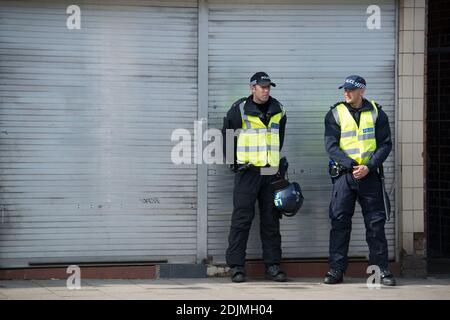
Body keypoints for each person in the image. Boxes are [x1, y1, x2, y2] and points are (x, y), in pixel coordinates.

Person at [323, 75, 396, 286]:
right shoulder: (335, 113)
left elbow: (385, 144)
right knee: (339, 224)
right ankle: (336, 270)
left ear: (361, 91)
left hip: (369, 176)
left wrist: (369, 166)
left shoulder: (376, 113)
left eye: (350, 90)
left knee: (375, 225)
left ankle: (380, 271)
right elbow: (331, 146)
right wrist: (351, 164)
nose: (346, 93)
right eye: (344, 90)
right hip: (344, 177)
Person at [222, 72, 288, 283]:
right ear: (252, 88)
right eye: (262, 87)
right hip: (247, 172)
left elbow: (280, 138)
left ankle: (273, 266)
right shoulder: (239, 109)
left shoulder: (279, 110)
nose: (266, 90)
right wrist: (237, 164)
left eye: (268, 87)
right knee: (241, 219)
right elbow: (227, 138)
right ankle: (237, 267)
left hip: (270, 171)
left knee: (271, 220)